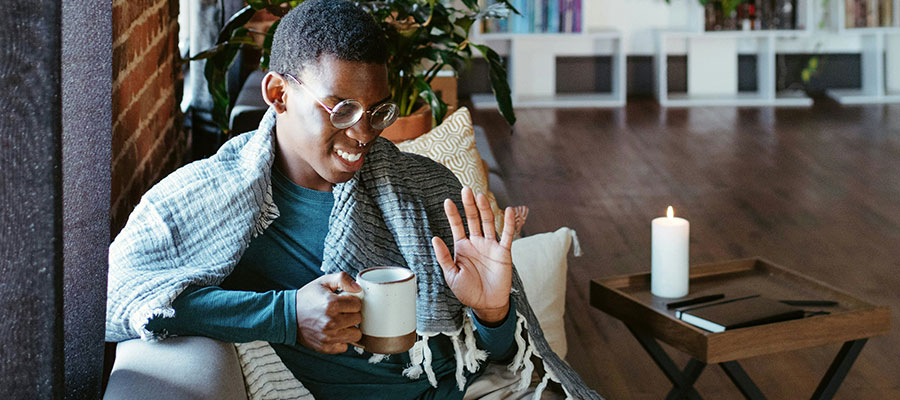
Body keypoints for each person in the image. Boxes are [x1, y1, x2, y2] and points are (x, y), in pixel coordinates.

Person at [106, 1, 599, 399]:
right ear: (278, 94)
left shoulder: (424, 189)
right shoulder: (213, 197)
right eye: (341, 109)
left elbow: (497, 359)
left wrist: (492, 313)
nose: (363, 133)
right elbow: (118, 295)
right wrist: (285, 316)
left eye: (378, 111)